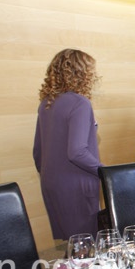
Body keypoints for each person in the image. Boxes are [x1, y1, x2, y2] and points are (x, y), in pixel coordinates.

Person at [33, 48, 102, 240]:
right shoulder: (80, 103)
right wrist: (105, 172)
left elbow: (38, 152)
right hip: (77, 184)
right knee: (86, 243)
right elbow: (77, 152)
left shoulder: (46, 103)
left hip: (52, 183)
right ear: (81, 73)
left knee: (73, 242)